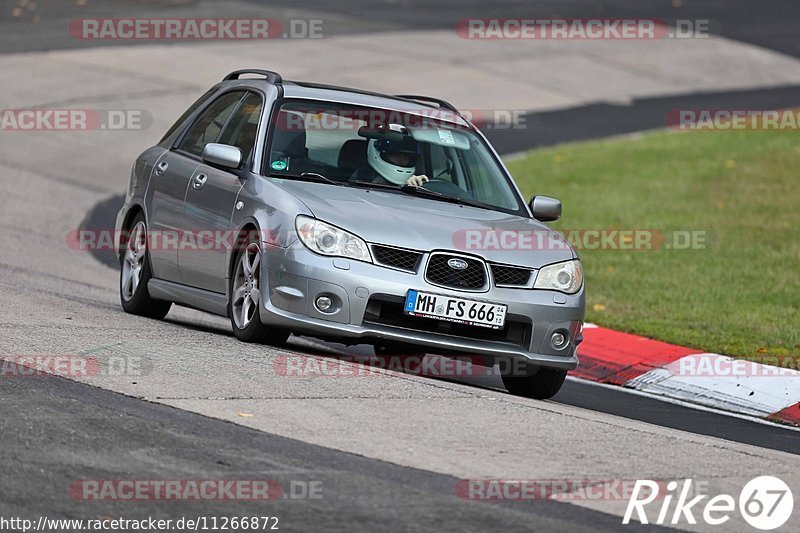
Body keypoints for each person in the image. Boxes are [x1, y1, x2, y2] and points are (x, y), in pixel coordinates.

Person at [363, 128, 430, 187]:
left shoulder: (412, 183)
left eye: (407, 155)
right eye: (396, 154)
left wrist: (413, 186)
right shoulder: (360, 185)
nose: (402, 159)